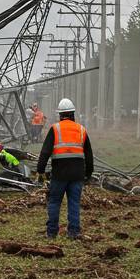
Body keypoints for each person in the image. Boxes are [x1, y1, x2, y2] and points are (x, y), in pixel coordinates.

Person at [35, 98, 93, 240]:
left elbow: (45, 152)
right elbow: (89, 155)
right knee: (74, 203)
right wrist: (88, 174)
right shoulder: (81, 130)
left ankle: (52, 233)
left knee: (54, 202)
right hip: (77, 174)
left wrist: (40, 170)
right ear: (73, 114)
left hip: (59, 174)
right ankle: (74, 232)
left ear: (60, 115)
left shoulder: (55, 129)